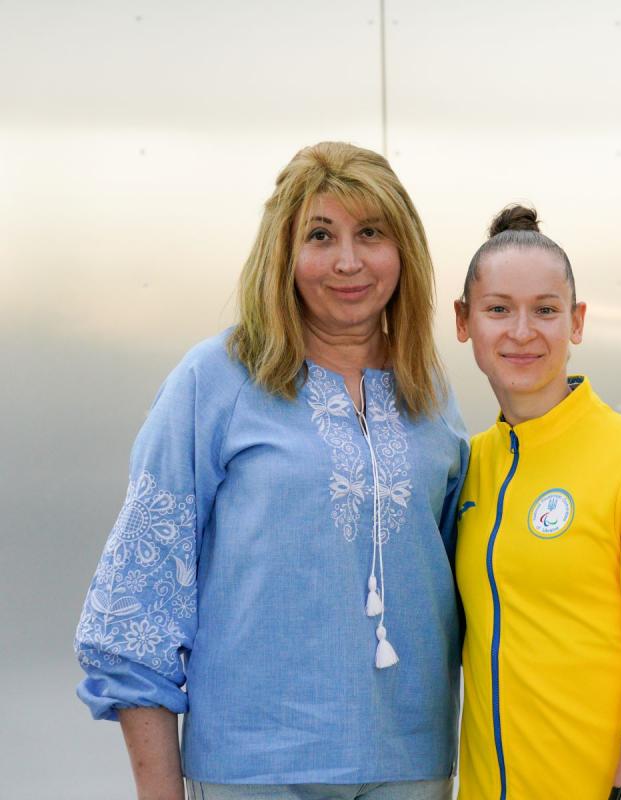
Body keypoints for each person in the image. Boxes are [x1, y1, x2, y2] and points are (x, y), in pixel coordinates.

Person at [73, 141, 468, 800]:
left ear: (404, 251)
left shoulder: (429, 393)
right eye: (320, 235)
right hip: (254, 770)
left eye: (370, 233)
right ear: (282, 255)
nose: (347, 261)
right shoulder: (215, 380)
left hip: (413, 763)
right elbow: (136, 606)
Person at [452, 205, 621, 800]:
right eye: (498, 309)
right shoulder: (467, 469)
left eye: (545, 310)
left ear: (576, 322)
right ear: (465, 321)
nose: (522, 332)